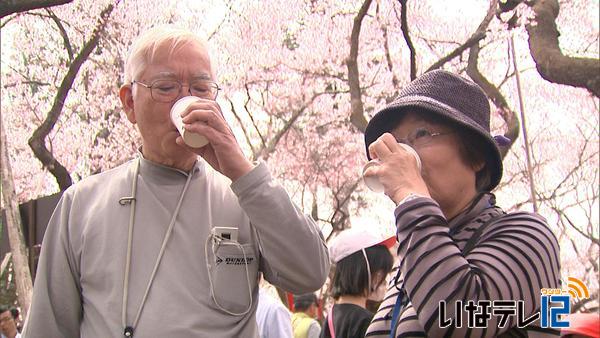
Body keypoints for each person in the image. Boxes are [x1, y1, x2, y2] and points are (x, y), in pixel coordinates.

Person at [23, 25, 330, 338]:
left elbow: (310, 273)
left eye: (201, 88)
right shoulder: (82, 204)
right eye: (166, 87)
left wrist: (243, 171)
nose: (187, 101)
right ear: (129, 102)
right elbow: (47, 328)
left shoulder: (245, 198)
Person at [362, 70, 561, 337]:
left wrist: (410, 194)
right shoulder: (410, 257)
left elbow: (457, 319)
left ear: (477, 154)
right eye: (397, 142)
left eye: (421, 133)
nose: (402, 154)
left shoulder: (531, 235)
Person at [321, 228, 394, 338]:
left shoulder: (331, 317)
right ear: (365, 270)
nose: (382, 279)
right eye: (380, 272)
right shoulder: (367, 322)